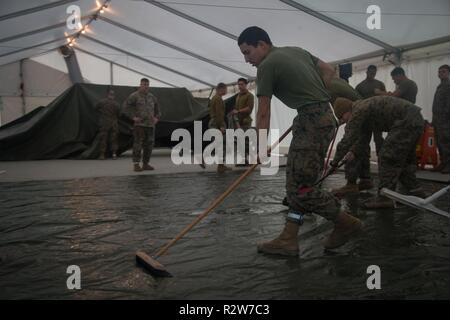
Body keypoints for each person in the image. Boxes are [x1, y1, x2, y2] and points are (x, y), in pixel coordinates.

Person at [238, 26, 362, 256]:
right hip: (320, 116)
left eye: (248, 52)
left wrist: (260, 147)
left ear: (262, 44)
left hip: (312, 122)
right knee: (297, 182)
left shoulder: (266, 66)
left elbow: (263, 111)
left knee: (302, 188)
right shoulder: (296, 51)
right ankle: (289, 236)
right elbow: (328, 69)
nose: (247, 59)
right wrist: (316, 97)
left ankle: (345, 221)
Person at [331, 96, 425, 209]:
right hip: (413, 119)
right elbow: (362, 139)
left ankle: (385, 198)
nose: (343, 121)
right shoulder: (362, 110)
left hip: (407, 121)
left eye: (342, 117)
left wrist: (334, 162)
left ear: (346, 111)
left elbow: (347, 139)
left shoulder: (358, 110)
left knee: (387, 156)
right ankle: (416, 191)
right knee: (399, 159)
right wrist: (353, 151)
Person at [327, 78, 373, 196]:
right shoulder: (336, 82)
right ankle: (365, 179)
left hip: (356, 112)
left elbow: (346, 141)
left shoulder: (328, 87)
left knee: (350, 145)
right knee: (360, 144)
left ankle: (351, 184)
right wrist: (342, 118)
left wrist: (334, 163)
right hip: (362, 111)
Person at [124, 78, 161, 172]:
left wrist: (156, 118)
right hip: (139, 125)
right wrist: (133, 117)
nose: (145, 86)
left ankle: (145, 164)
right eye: (144, 84)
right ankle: (136, 164)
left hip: (150, 126)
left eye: (147, 85)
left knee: (149, 145)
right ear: (140, 85)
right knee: (138, 144)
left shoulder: (152, 97)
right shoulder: (134, 96)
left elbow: (158, 109)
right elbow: (125, 107)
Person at [355, 65, 386, 155]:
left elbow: (385, 98)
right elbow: (357, 101)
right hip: (365, 115)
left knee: (378, 138)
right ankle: (364, 158)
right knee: (364, 138)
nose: (372, 74)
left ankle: (380, 157)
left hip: (377, 115)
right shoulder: (360, 86)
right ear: (367, 72)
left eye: (374, 73)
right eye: (371, 73)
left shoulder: (380, 84)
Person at [209, 82, 232, 173]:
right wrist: (221, 126)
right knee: (221, 145)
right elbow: (219, 114)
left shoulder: (215, 98)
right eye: (225, 89)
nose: (226, 91)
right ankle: (220, 166)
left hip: (214, 123)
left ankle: (221, 165)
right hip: (217, 124)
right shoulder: (218, 99)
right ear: (221, 89)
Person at [231, 78, 255, 166]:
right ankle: (244, 160)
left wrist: (238, 111)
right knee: (239, 142)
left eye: (241, 84)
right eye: (239, 84)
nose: (240, 86)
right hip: (238, 122)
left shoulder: (250, 96)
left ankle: (252, 159)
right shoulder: (238, 96)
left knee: (246, 141)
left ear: (246, 85)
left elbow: (249, 108)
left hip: (245, 122)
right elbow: (236, 108)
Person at [432, 64, 450, 174]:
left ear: (448, 73)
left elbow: (448, 105)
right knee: (440, 142)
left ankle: (448, 165)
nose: (440, 74)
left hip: (445, 120)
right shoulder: (440, 86)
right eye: (439, 72)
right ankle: (443, 163)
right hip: (438, 119)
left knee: (447, 142)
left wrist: (446, 119)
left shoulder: (448, 86)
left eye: (443, 71)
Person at [96, 89, 120, 160]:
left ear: (107, 95)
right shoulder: (116, 104)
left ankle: (102, 155)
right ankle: (114, 154)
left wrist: (102, 112)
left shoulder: (101, 102)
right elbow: (119, 114)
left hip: (104, 123)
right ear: (114, 95)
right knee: (114, 139)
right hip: (114, 124)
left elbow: (95, 108)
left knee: (103, 139)